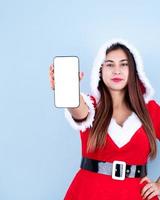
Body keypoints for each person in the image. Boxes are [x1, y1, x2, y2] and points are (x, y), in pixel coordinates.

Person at [49, 38, 160, 200]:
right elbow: (79, 111)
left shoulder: (149, 110)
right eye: (109, 64)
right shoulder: (91, 105)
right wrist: (68, 92)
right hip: (89, 193)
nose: (117, 70)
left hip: (136, 195)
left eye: (124, 64)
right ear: (100, 70)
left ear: (134, 70)